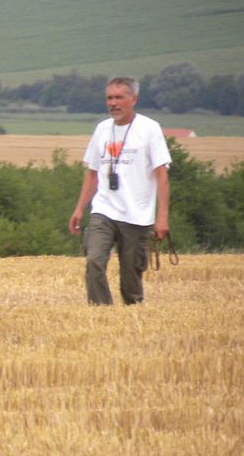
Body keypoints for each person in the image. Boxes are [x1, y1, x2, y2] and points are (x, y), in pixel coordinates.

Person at [69, 77, 171, 305]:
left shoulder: (149, 129)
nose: (113, 103)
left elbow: (162, 175)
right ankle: (101, 312)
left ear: (133, 99)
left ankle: (132, 314)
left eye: (119, 97)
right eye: (109, 98)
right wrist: (79, 209)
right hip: (104, 210)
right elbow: (93, 173)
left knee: (131, 278)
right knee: (94, 261)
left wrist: (162, 217)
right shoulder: (102, 130)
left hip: (137, 215)